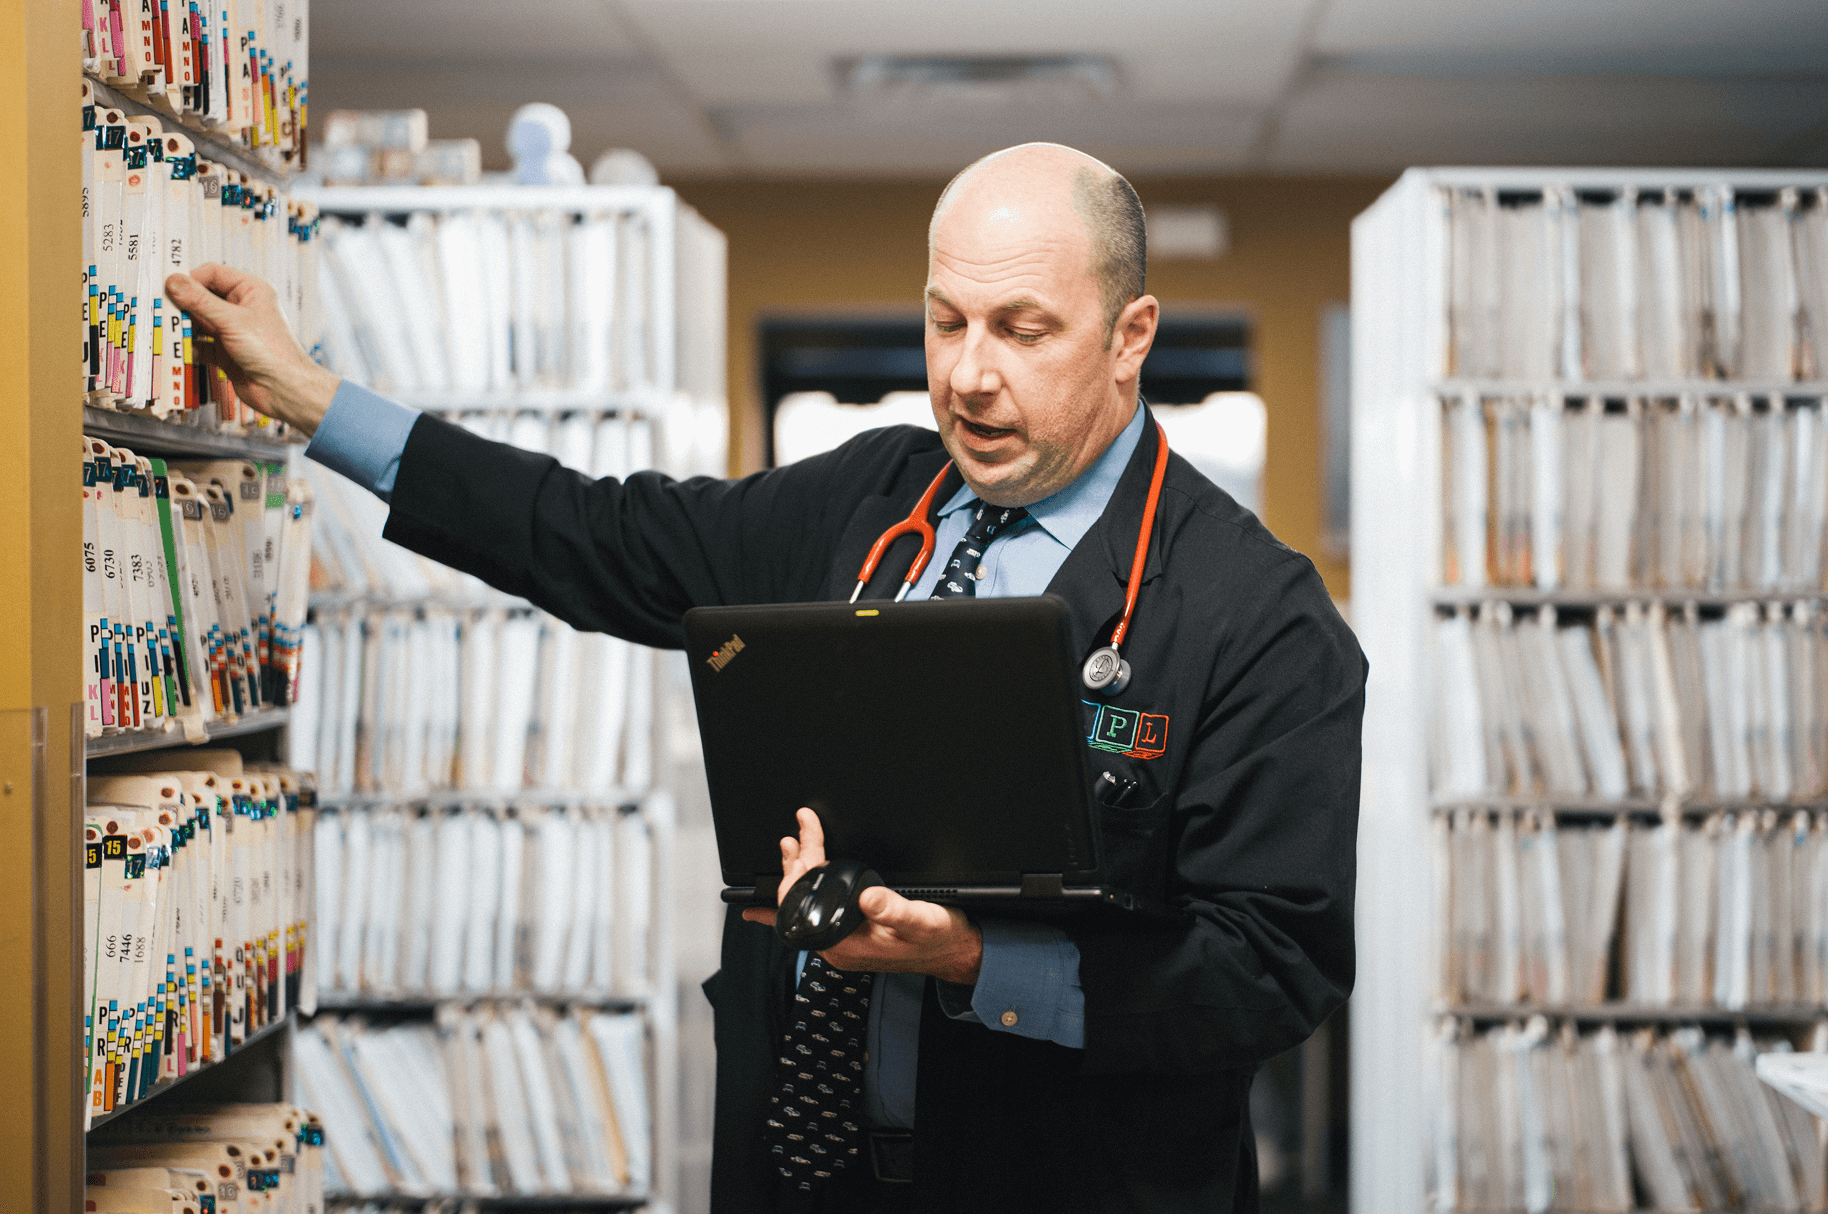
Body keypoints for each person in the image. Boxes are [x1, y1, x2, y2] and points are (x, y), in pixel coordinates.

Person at [167, 142, 1364, 1213]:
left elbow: (1272, 969)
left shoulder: (1258, 617)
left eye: (1023, 327)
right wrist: (314, 399)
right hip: (794, 1170)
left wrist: (970, 957)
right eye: (947, 322)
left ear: (1132, 336)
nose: (969, 375)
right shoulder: (863, 495)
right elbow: (595, 531)